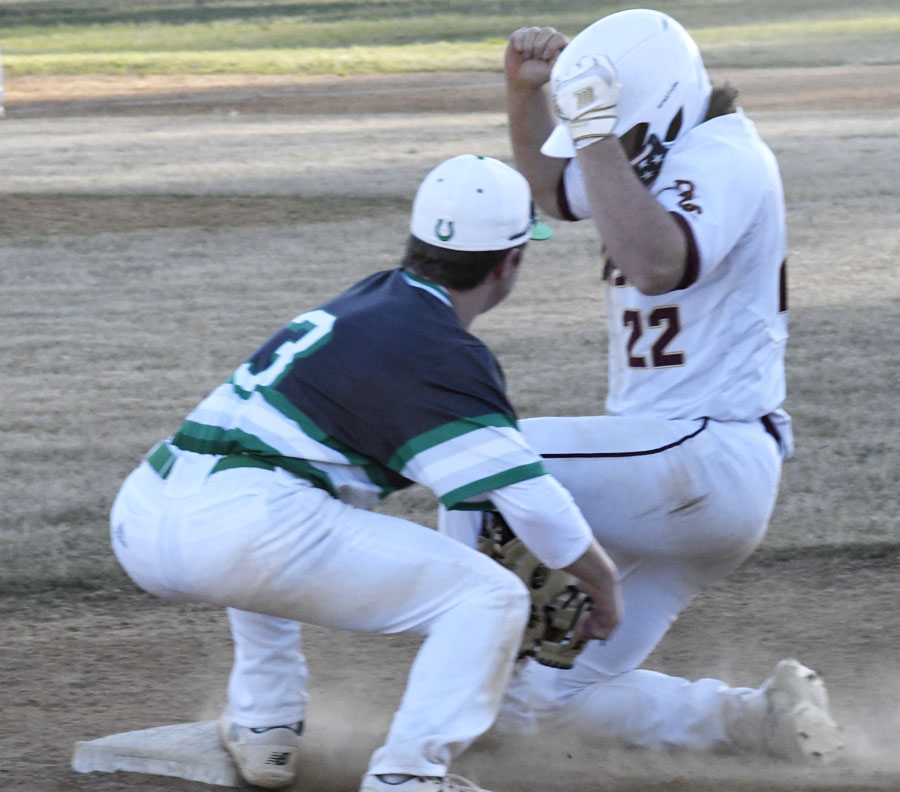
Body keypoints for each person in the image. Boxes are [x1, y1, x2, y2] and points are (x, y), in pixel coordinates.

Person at [109, 154, 623, 791]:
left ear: (419, 242)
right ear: (509, 262)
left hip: (143, 513)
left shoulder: (366, 301)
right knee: (487, 596)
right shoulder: (440, 349)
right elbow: (534, 506)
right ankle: (408, 776)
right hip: (241, 526)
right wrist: (603, 585)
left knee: (284, 514)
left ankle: (265, 723)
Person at [439, 9, 845, 762]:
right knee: (544, 705)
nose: (601, 147)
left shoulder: (725, 155)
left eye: (612, 130)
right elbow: (558, 193)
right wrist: (525, 97)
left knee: (484, 461)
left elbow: (660, 264)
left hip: (701, 454)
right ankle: (753, 717)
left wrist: (594, 132)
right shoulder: (661, 150)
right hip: (668, 479)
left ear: (654, 120)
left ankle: (447, 700)